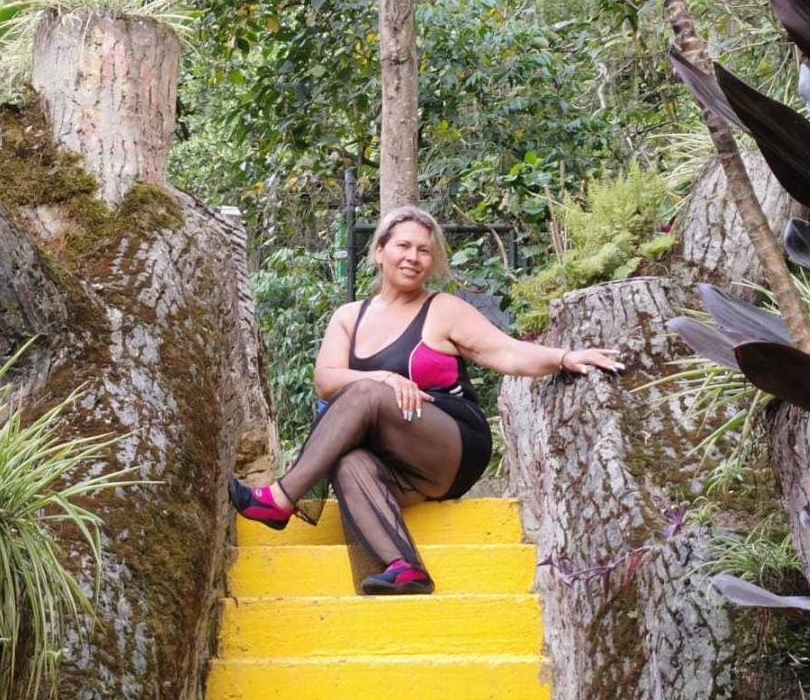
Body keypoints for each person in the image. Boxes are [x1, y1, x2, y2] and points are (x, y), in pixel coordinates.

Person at [229, 206, 623, 595]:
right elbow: (326, 381)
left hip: (450, 442)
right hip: (395, 465)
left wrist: (564, 357)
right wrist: (384, 377)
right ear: (379, 251)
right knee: (350, 461)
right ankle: (405, 568)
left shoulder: (442, 309)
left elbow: (505, 352)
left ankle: (280, 499)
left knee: (364, 392)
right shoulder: (349, 316)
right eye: (403, 246)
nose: (413, 257)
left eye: (424, 250)